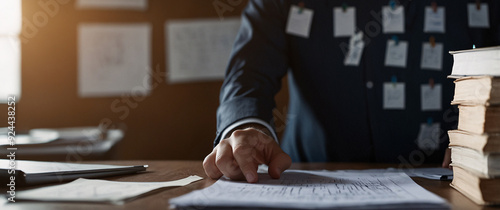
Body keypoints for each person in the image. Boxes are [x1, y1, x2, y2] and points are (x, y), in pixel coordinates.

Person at [202, 0, 486, 183]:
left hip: (451, 181)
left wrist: (484, 138)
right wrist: (247, 126)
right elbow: (248, 74)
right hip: (311, 181)